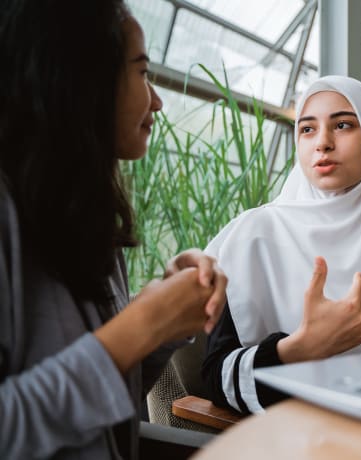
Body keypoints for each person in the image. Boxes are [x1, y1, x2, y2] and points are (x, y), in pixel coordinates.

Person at [0, 1, 226, 459]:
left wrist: (159, 320)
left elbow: (107, 391)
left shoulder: (85, 216)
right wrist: (141, 325)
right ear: (80, 78)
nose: (158, 101)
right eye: (142, 73)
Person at [202, 75, 361, 414]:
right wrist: (299, 348)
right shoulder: (253, 236)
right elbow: (215, 378)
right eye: (307, 129)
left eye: (343, 125)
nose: (323, 142)